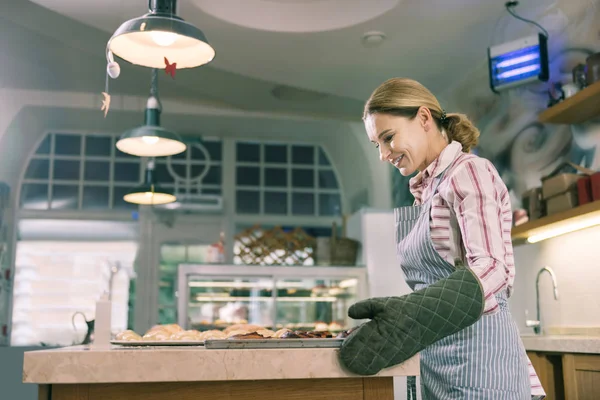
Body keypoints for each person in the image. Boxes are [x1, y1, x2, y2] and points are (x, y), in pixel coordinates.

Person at [338, 78, 546, 399]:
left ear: (424, 118)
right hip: (435, 358)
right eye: (376, 144)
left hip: (479, 357)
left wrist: (413, 315)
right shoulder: (424, 193)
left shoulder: (470, 171)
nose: (382, 154)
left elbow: (492, 268)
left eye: (388, 138)